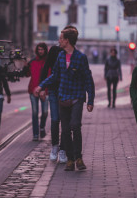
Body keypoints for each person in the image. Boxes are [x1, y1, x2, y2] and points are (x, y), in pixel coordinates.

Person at [34, 26, 95, 171]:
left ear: (67, 41)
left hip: (77, 97)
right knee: (66, 129)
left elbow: (88, 79)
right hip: (63, 97)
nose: (59, 40)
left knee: (75, 125)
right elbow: (55, 75)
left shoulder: (81, 57)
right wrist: (41, 86)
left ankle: (78, 158)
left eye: (61, 38)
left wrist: (90, 100)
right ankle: (70, 159)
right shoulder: (60, 57)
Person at [39, 45, 67, 163]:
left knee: (65, 122)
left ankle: (63, 149)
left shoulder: (67, 53)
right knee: (55, 119)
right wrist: (42, 88)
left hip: (65, 91)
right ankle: (55, 147)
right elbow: (45, 70)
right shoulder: (55, 52)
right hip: (53, 91)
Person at [24, 43, 49, 141]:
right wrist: (25, 67)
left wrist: (44, 89)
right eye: (39, 49)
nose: (40, 51)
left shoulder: (48, 62)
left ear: (45, 50)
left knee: (45, 112)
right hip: (33, 90)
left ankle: (42, 127)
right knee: (34, 112)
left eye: (42, 49)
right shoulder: (33, 62)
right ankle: (35, 133)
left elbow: (50, 76)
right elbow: (27, 75)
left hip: (45, 91)